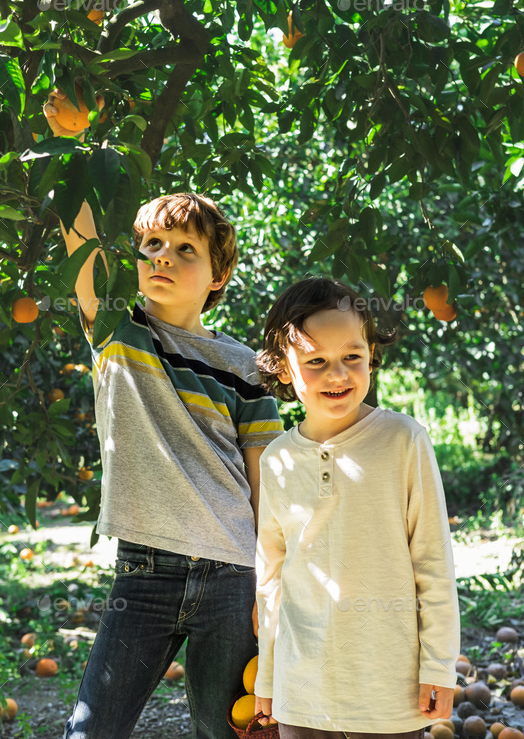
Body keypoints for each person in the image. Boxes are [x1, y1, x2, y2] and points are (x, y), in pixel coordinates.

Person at [43, 89, 284, 739]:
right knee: (90, 729)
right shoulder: (118, 334)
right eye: (152, 244)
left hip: (231, 575)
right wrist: (75, 148)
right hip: (143, 573)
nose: (164, 258)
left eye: (185, 249)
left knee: (225, 730)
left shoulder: (242, 366)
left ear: (217, 275)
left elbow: (264, 480)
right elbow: (80, 238)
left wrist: (271, 581)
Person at [253, 277, 460, 739]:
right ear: (284, 369)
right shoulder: (277, 460)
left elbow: (432, 560)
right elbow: (270, 578)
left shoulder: (403, 440)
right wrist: (269, 676)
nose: (338, 374)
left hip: (388, 690)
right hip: (301, 689)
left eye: (352, 357)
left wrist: (440, 666)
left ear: (371, 354)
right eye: (316, 361)